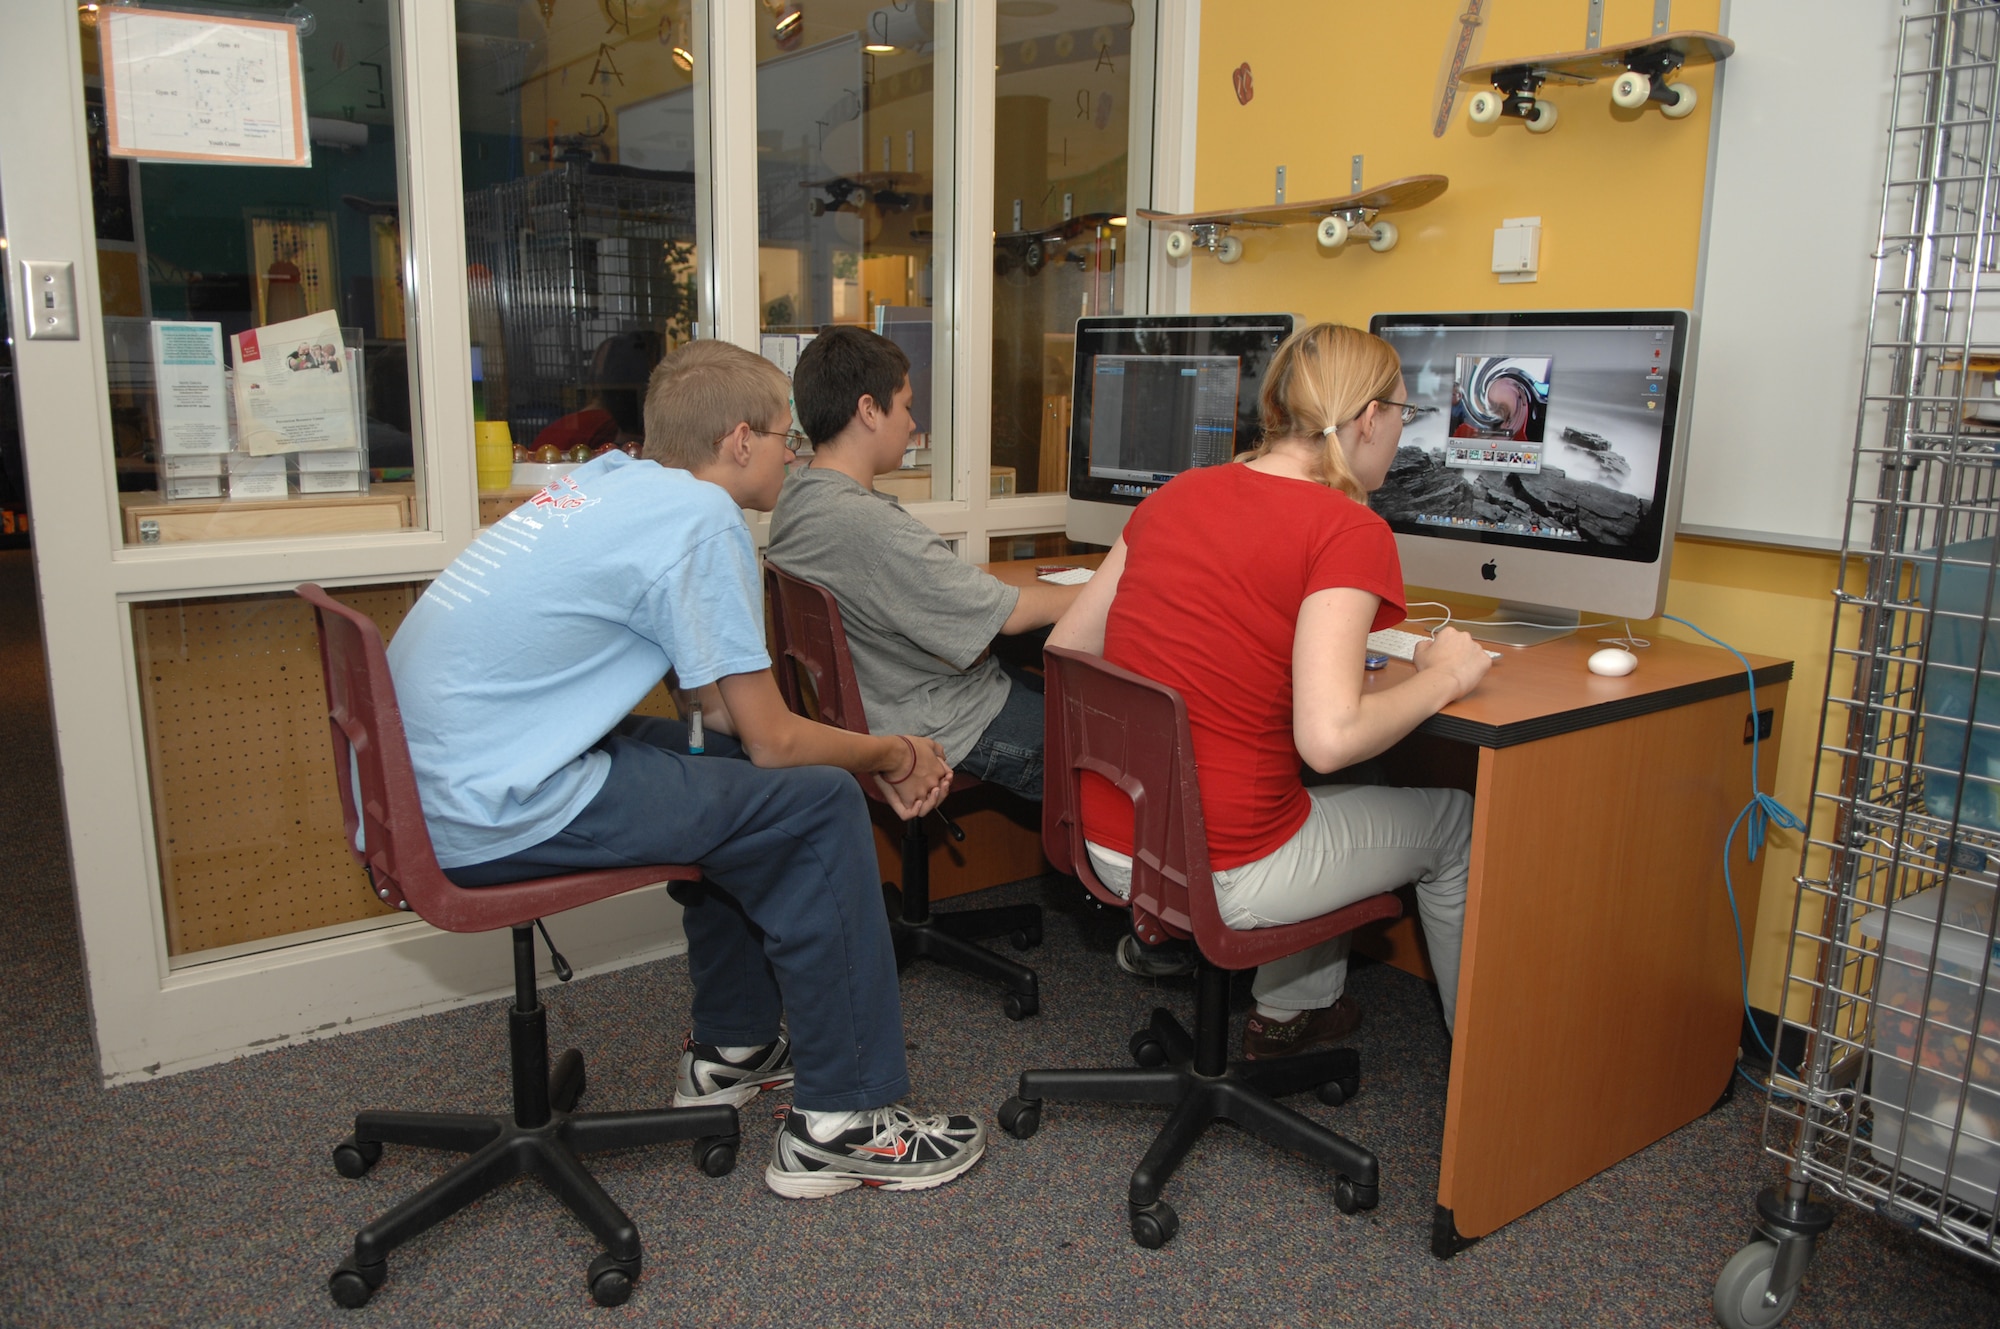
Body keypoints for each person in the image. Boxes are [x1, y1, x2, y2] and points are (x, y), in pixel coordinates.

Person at [386, 339, 987, 1198]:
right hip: (492, 804)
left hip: (435, 788)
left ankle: (734, 1049)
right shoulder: (702, 519)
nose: (798, 453)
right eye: (787, 436)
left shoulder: (605, 482)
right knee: (814, 805)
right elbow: (779, 742)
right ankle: (844, 1125)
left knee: (719, 760)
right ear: (739, 440)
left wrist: (771, 750)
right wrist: (891, 750)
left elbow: (719, 720)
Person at [1048, 322, 1491, 1058]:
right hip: (1225, 867)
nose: (1400, 435)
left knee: (1362, 778)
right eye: (1403, 416)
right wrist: (1448, 673)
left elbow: (1068, 649)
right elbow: (1327, 735)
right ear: (1370, 419)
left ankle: (1292, 1009)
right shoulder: (1347, 527)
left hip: (1113, 835)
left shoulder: (1177, 493)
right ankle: (1486, 1060)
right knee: (1454, 821)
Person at [765, 325, 1080, 804]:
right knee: (1109, 749)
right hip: (937, 723)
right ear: (869, 410)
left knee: (1065, 698)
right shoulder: (866, 525)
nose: (912, 424)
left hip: (879, 708)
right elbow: (1009, 615)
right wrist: (1101, 590)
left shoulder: (799, 497)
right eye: (907, 405)